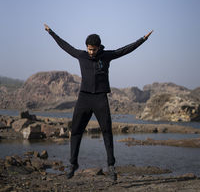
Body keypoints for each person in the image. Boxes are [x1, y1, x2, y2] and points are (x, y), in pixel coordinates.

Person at [44, 24, 153, 180]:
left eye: (93, 49)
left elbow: (125, 50)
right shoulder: (81, 55)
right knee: (75, 131)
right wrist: (51, 33)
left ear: (98, 47)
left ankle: (111, 166)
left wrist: (143, 39)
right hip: (84, 98)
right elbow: (65, 46)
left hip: (100, 98)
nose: (91, 52)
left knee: (107, 131)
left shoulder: (106, 56)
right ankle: (73, 164)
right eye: (89, 49)